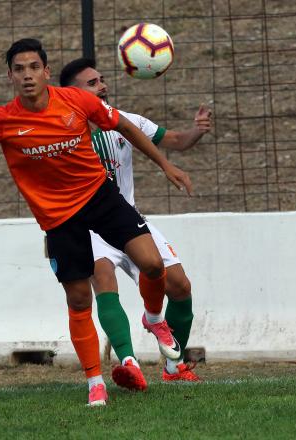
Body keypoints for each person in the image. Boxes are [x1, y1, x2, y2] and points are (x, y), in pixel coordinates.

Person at [0, 38, 193, 407]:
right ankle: (95, 382)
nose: (27, 76)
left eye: (33, 68)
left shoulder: (77, 101)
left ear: (46, 72)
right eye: (18, 69)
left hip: (101, 197)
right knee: (78, 300)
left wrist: (165, 164)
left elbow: (125, 127)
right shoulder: (1, 120)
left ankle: (153, 318)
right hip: (59, 218)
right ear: (10, 76)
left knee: (154, 264)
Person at [59, 58, 211, 383]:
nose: (102, 85)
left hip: (129, 220)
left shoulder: (124, 121)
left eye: (101, 79)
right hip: (89, 227)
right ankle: (129, 363)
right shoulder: (60, 129)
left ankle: (174, 367)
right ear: (70, 92)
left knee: (180, 286)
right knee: (103, 276)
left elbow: (176, 141)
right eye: (92, 82)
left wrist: (196, 131)